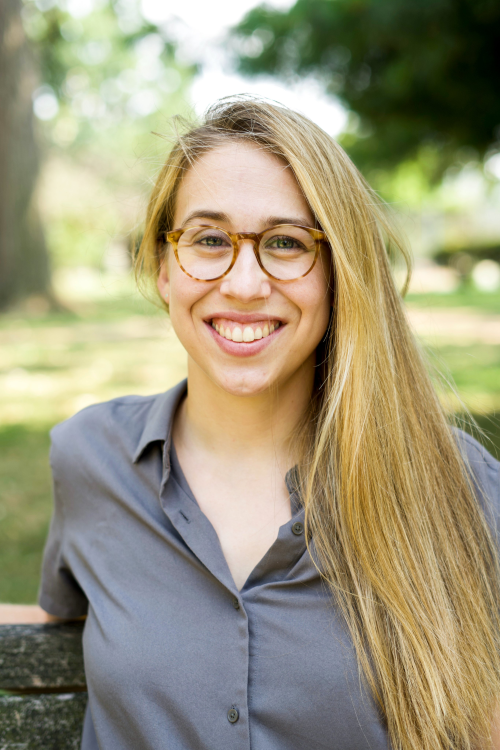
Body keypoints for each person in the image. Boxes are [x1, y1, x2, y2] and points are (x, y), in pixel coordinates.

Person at [2, 97, 500, 749]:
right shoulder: (90, 456)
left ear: (337, 271)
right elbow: (63, 619)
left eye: (285, 243)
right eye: (209, 239)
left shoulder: (455, 482)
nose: (243, 282)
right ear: (164, 266)